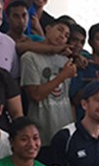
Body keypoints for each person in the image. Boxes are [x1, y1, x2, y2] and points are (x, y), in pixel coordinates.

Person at [22, 19, 76, 157]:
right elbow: (35, 95)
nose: (62, 36)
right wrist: (62, 76)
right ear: (47, 28)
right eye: (59, 30)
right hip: (42, 132)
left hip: (65, 130)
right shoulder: (29, 58)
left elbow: (67, 97)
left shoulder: (66, 61)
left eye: (66, 35)